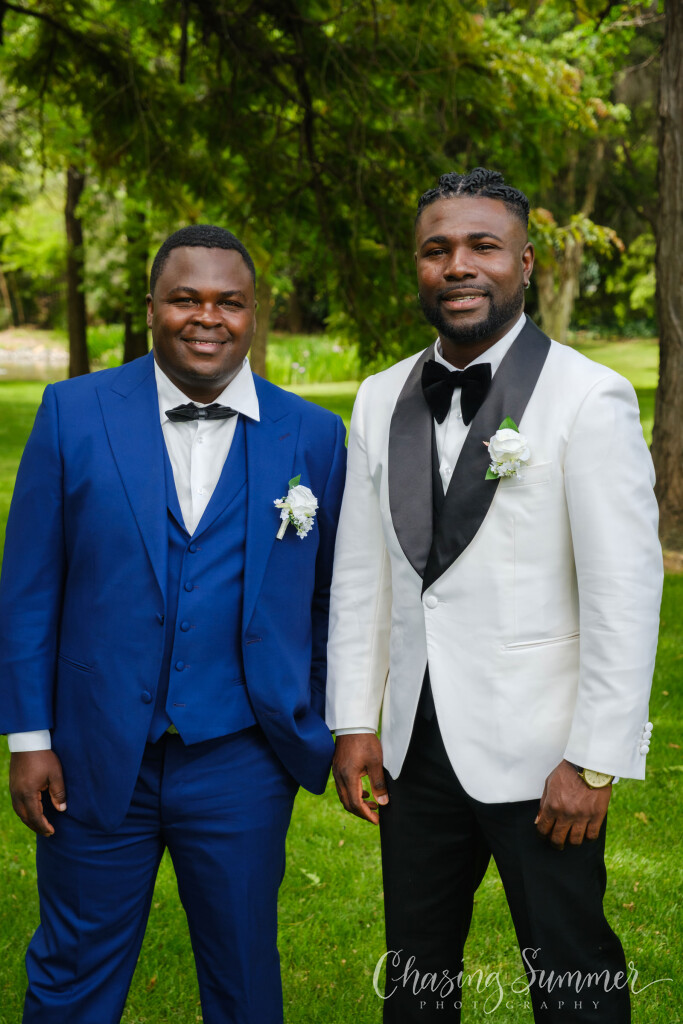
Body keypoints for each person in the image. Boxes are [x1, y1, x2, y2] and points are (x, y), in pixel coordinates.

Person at [325, 168, 662, 1022]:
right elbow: (362, 576)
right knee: (416, 979)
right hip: (414, 752)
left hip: (543, 755)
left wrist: (592, 759)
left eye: (483, 246)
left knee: (573, 981)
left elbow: (624, 594)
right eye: (436, 250)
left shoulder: (587, 396)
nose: (458, 266)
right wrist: (354, 721)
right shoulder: (377, 397)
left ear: (525, 263)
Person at [0, 224, 347, 1024]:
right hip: (90, 752)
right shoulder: (73, 413)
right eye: (185, 298)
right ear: (151, 306)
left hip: (242, 757)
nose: (207, 317)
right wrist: (29, 739)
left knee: (244, 977)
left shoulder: (313, 435)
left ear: (253, 313)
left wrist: (309, 709)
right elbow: (28, 591)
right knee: (72, 972)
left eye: (229, 301)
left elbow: (332, 597)